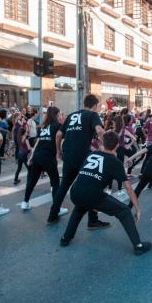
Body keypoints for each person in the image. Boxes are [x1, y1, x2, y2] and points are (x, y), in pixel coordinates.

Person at [60, 131, 152, 255]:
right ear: (117, 145)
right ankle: (138, 245)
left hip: (75, 192)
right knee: (124, 211)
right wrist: (137, 208)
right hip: (92, 195)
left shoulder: (92, 154)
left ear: (102, 143)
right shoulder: (114, 162)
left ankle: (65, 239)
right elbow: (129, 188)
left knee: (80, 207)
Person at [47, 95, 107, 228]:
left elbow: (58, 135)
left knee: (63, 187)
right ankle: (92, 220)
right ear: (95, 105)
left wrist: (58, 151)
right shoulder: (92, 115)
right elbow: (100, 131)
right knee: (92, 184)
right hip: (83, 156)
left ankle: (52, 216)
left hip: (68, 155)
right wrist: (109, 148)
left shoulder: (71, 116)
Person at [20, 107, 61, 210]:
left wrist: (32, 156)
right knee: (55, 182)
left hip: (38, 156)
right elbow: (61, 139)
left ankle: (25, 202)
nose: (60, 116)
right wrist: (59, 152)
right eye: (59, 114)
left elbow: (38, 143)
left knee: (32, 181)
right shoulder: (57, 126)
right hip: (48, 157)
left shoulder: (44, 127)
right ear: (56, 115)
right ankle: (57, 209)